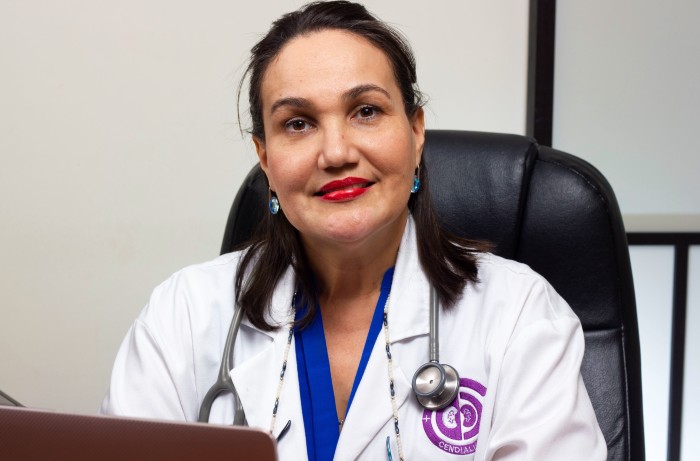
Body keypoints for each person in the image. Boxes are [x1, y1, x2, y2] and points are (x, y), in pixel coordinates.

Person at [100, 2, 607, 460]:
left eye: (366, 111)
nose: (337, 152)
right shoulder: (183, 314)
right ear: (266, 159)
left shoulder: (518, 315)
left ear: (415, 132)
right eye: (298, 123)